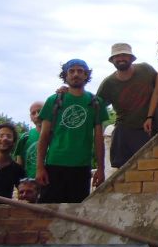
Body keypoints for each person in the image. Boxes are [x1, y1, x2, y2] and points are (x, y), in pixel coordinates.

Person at [36, 59, 109, 203]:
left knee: (76, 212)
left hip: (81, 166)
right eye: (72, 71)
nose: (76, 74)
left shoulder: (96, 103)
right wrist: (39, 167)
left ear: (86, 75)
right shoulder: (54, 100)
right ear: (65, 75)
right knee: (48, 210)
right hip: (55, 164)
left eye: (80, 71)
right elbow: (43, 136)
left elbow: (99, 139)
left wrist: (101, 169)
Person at [96, 43, 157, 168]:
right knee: (122, 172)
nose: (121, 58)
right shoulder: (108, 84)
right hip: (124, 131)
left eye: (124, 55)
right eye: (117, 56)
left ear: (131, 58)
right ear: (112, 60)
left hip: (149, 127)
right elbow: (94, 105)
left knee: (151, 167)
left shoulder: (146, 70)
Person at [14, 101, 43, 179]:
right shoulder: (25, 137)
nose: (37, 115)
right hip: (31, 185)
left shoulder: (58, 134)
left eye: (40, 111)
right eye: (33, 113)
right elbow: (19, 164)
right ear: (30, 117)